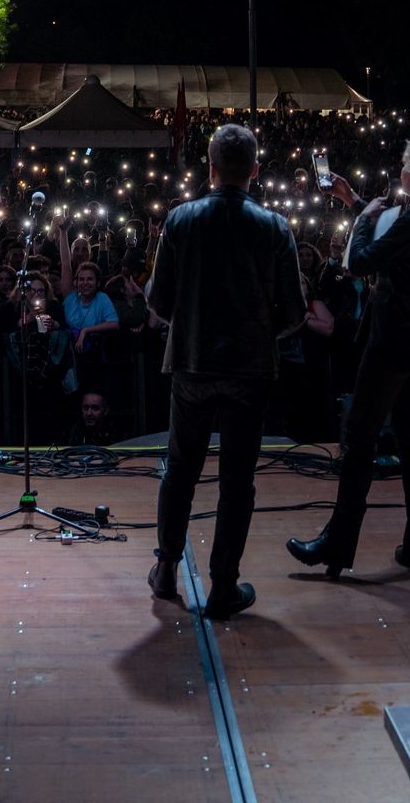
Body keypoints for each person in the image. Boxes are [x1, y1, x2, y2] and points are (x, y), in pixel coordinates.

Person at [287, 129, 410, 579]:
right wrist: (354, 200)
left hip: (392, 343)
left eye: (406, 163)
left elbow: (359, 262)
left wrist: (361, 218)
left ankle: (337, 544)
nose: (400, 169)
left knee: (358, 438)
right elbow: (397, 241)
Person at [145, 123, 303, 621]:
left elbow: (157, 299)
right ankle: (223, 587)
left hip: (191, 364)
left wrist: (193, 326)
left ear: (209, 167)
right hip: (249, 369)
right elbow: (294, 311)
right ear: (254, 171)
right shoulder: (274, 226)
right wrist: (257, 334)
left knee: (180, 469)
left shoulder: (180, 220)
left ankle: (167, 566)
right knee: (238, 479)